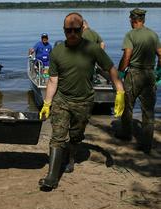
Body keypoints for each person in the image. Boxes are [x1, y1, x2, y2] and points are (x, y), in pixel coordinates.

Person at [38, 12, 125, 191]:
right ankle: (52, 177)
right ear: (64, 30)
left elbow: (110, 69)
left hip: (84, 101)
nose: (72, 34)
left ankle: (70, 157)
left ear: (81, 29)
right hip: (62, 99)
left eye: (76, 30)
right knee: (57, 137)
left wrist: (120, 91)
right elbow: (53, 80)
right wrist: (47, 103)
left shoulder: (92, 48)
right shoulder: (57, 51)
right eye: (69, 30)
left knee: (76, 135)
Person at [117, 8, 161, 154]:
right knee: (148, 111)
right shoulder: (153, 35)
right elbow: (160, 54)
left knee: (127, 105)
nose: (130, 21)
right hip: (149, 74)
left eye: (130, 19)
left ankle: (126, 134)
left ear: (133, 19)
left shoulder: (130, 35)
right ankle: (147, 144)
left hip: (134, 74)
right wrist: (158, 70)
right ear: (143, 19)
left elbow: (127, 55)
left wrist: (121, 71)